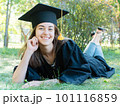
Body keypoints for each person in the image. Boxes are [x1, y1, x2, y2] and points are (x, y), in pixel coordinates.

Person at [12, 3, 115, 88]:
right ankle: (97, 37)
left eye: (50, 29)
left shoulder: (67, 46)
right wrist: (29, 51)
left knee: (99, 58)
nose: (46, 33)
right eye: (41, 28)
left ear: (55, 32)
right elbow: (17, 81)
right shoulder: (32, 54)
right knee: (87, 53)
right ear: (35, 32)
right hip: (80, 58)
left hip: (92, 65)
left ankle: (97, 36)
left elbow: (80, 71)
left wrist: (43, 83)